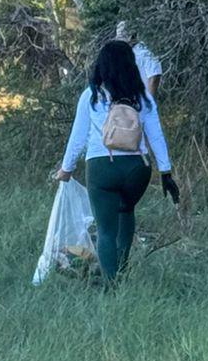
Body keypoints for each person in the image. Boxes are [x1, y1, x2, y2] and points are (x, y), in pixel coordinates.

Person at [56, 38, 180, 283]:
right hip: (137, 169)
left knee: (105, 230)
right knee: (126, 210)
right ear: (131, 66)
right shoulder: (143, 97)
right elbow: (156, 136)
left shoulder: (91, 96)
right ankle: (122, 270)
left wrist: (66, 169)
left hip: (102, 168)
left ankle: (111, 285)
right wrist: (166, 172)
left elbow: (78, 138)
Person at [116, 21, 163, 100]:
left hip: (142, 103)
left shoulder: (145, 53)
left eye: (121, 37)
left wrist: (150, 102)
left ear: (130, 37)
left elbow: (154, 77)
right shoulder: (127, 53)